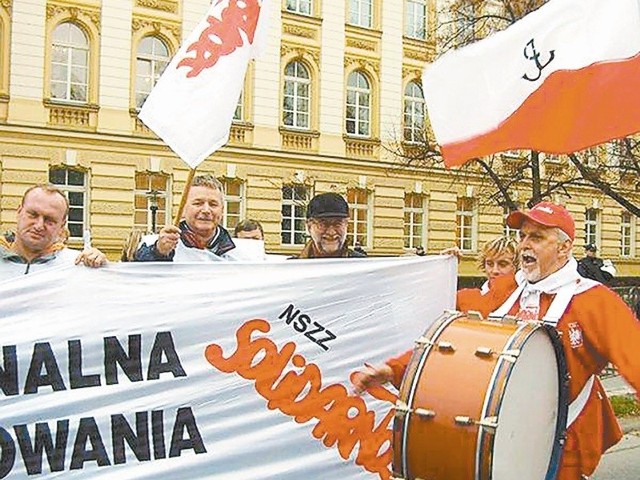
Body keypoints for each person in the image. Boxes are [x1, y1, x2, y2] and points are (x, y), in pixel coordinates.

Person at [353, 201, 640, 480]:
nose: (525, 244)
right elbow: (453, 341)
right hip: (499, 444)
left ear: (564, 248)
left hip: (561, 446)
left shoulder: (595, 301)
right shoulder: (505, 290)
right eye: (522, 236)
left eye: (537, 237)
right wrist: (394, 369)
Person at [0, 184, 107, 280]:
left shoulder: (76, 266)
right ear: (19, 212)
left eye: (49, 220)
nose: (39, 226)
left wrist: (101, 268)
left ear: (62, 225)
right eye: (33, 215)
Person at [133, 174, 235, 262]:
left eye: (213, 204)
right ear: (183, 208)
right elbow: (136, 275)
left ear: (222, 210)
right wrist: (158, 253)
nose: (206, 210)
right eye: (198, 203)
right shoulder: (156, 245)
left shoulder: (240, 252)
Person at [294, 192, 366, 259]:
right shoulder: (292, 269)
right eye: (323, 224)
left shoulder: (364, 267)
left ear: (346, 225)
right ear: (309, 227)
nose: (331, 232)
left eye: (338, 223)